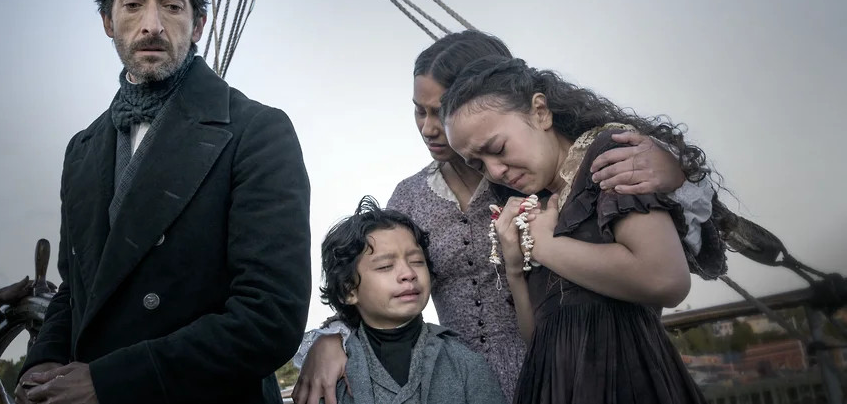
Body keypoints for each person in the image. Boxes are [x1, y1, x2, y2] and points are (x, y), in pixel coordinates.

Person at [292, 31, 714, 404]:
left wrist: (674, 171)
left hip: (563, 372)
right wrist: (335, 336)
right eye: (419, 111)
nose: (429, 127)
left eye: (440, 110)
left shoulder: (540, 179)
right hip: (455, 382)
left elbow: (661, 256)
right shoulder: (412, 196)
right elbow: (373, 272)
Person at [14, 0, 311, 404]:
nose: (152, 24)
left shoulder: (257, 131)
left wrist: (109, 382)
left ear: (198, 24)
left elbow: (270, 316)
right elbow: (78, 288)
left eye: (172, 5)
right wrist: (44, 359)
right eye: (133, 3)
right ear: (108, 21)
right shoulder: (81, 149)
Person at [440, 56, 730, 403]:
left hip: (625, 380)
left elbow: (665, 279)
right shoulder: (537, 207)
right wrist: (515, 268)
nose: (494, 171)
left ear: (540, 112)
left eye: (498, 149)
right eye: (478, 164)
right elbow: (537, 337)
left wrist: (545, 246)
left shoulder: (608, 159)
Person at [320, 196, 505, 404]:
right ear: (348, 291)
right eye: (385, 266)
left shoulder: (465, 364)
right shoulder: (326, 373)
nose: (408, 273)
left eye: (417, 261)